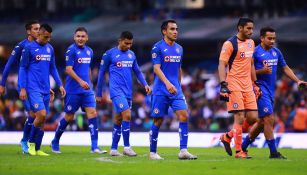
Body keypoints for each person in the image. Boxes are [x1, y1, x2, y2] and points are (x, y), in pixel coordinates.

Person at [241, 27, 307, 158]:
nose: (272, 41)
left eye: (274, 39)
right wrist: (261, 72)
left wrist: (297, 80)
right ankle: (273, 152)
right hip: (259, 89)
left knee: (261, 123)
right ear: (262, 38)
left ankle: (243, 146)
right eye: (269, 38)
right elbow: (245, 72)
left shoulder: (276, 52)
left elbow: (285, 68)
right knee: (269, 118)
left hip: (271, 91)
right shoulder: (254, 52)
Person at [50, 27, 107, 154]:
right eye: (78, 36)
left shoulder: (89, 51)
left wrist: (90, 84)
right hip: (73, 90)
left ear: (87, 38)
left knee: (92, 113)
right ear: (74, 37)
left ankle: (94, 146)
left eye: (83, 36)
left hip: (87, 91)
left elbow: (87, 69)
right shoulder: (71, 50)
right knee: (69, 117)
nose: (80, 39)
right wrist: (81, 82)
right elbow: (68, 69)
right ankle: (55, 141)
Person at [96, 31, 151, 157]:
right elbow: (101, 74)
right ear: (119, 40)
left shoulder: (132, 54)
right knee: (127, 114)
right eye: (126, 43)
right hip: (116, 91)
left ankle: (114, 149)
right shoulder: (109, 54)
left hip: (128, 92)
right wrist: (99, 93)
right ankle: (127, 147)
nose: (128, 46)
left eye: (130, 44)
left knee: (119, 118)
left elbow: (137, 71)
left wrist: (145, 84)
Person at [149, 19, 197, 160]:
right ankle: (152, 152)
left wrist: (178, 85)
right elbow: (156, 69)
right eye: (172, 29)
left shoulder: (179, 48)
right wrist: (168, 84)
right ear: (164, 31)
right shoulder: (157, 48)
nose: (175, 32)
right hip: (160, 90)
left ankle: (183, 151)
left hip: (175, 90)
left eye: (176, 29)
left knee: (184, 115)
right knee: (158, 120)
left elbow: (178, 69)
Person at [19, 24, 66, 156]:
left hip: (46, 88)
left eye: (50, 37)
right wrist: (22, 88)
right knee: (41, 114)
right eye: (46, 37)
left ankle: (38, 148)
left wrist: (60, 85)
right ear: (39, 33)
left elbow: (53, 68)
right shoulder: (28, 48)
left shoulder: (49, 48)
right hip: (33, 88)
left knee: (42, 120)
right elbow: (23, 68)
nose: (48, 39)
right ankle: (30, 143)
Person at [218, 17, 261, 158]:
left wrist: (255, 83)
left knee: (253, 118)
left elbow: (251, 64)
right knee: (240, 118)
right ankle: (239, 151)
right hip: (234, 84)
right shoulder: (229, 44)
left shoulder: (251, 43)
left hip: (248, 85)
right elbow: (222, 64)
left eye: (252, 28)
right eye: (248, 28)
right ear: (240, 28)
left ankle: (227, 136)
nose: (251, 31)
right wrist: (223, 84)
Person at [0, 20, 45, 154]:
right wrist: (2, 84)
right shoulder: (21, 46)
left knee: (37, 115)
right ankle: (25, 141)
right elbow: (8, 65)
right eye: (36, 29)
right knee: (33, 113)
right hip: (24, 86)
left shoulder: (42, 46)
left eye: (39, 28)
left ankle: (32, 143)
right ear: (28, 31)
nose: (39, 31)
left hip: (38, 86)